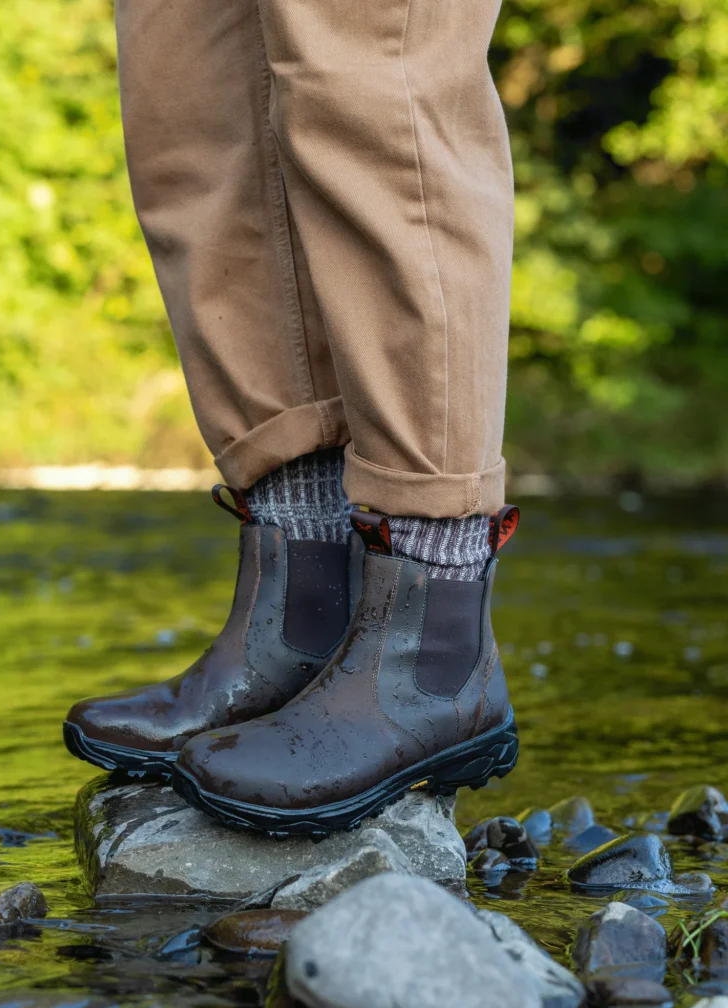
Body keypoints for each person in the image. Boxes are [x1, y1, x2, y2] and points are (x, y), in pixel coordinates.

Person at [64, 0, 522, 835]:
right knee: (194, 99)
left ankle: (434, 649)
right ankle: (298, 629)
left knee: (371, 71)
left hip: (431, 615)